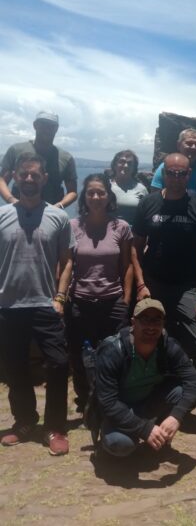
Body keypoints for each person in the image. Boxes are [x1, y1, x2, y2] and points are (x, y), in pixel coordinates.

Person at [131, 152, 196, 439]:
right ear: (163, 173)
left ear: (189, 173)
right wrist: (141, 285)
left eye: (182, 173)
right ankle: (153, 403)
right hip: (154, 285)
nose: (177, 178)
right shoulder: (149, 204)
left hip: (187, 288)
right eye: (172, 172)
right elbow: (135, 247)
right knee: (148, 342)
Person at [0, 153, 74, 456]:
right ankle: (25, 422)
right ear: (15, 177)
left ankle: (54, 426)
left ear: (45, 179)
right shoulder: (2, 215)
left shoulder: (58, 217)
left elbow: (67, 261)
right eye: (23, 174)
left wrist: (60, 297)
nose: (29, 179)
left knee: (58, 364)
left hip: (45, 303)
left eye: (35, 175)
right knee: (14, 368)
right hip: (8, 305)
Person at [95, 298, 196, 457]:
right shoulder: (113, 351)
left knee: (181, 392)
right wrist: (144, 429)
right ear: (133, 322)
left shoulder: (168, 346)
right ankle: (110, 439)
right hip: (120, 409)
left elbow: (195, 382)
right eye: (144, 319)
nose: (151, 326)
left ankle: (157, 433)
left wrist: (176, 416)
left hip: (149, 403)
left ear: (163, 324)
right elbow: (108, 403)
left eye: (157, 320)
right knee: (119, 444)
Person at [65, 173, 133, 413]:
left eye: (100, 192)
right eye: (90, 192)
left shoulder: (120, 227)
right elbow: (66, 264)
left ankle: (109, 397)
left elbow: (127, 265)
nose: (95, 197)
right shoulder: (73, 227)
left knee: (114, 352)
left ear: (108, 196)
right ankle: (85, 398)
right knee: (77, 353)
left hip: (112, 300)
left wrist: (125, 299)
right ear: (84, 196)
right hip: (80, 300)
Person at [0, 111, 77, 209]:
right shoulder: (16, 150)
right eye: (43, 124)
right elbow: (2, 180)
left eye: (51, 126)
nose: (47, 129)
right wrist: (11, 200)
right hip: (18, 211)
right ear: (35, 125)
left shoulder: (66, 158)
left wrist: (58, 207)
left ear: (56, 129)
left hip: (51, 214)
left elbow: (72, 191)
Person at [150, 128, 196, 203]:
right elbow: (153, 199)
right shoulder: (166, 168)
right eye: (189, 143)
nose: (193, 147)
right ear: (178, 145)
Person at [109, 150, 148, 226]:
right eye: (122, 162)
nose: (126, 165)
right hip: (109, 234)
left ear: (134, 168)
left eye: (130, 163)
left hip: (133, 235)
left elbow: (146, 215)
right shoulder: (106, 187)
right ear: (114, 165)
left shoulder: (142, 189)